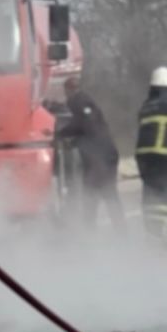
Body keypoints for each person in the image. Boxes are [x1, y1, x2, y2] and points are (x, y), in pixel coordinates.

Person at [56, 77, 125, 232]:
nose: (66, 94)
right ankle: (118, 233)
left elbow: (84, 125)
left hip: (100, 157)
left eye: (67, 90)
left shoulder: (80, 102)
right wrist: (73, 141)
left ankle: (92, 234)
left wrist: (60, 133)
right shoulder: (83, 102)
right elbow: (87, 130)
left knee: (96, 194)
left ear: (69, 90)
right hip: (103, 155)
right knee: (102, 194)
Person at [136, 67, 167, 244]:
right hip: (164, 156)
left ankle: (153, 234)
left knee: (150, 195)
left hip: (144, 158)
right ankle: (164, 235)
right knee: (165, 194)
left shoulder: (146, 105)